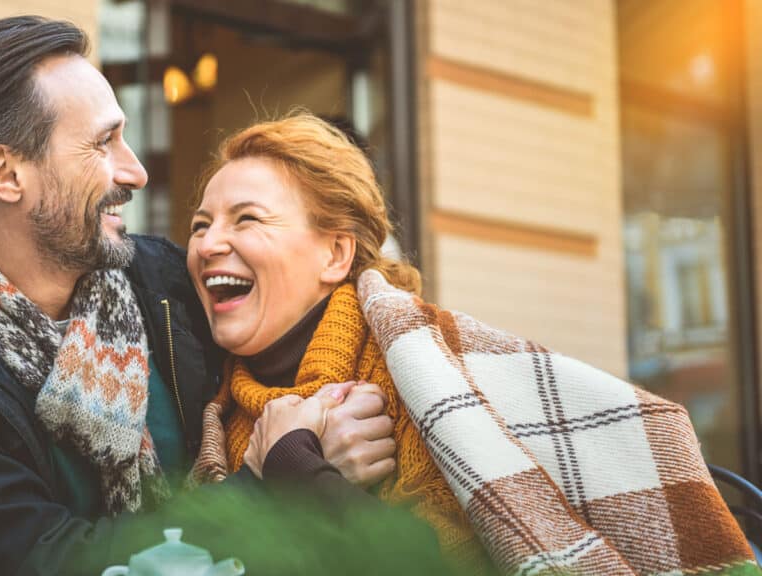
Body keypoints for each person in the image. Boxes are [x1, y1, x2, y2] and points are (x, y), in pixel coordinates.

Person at [0, 16, 402, 576]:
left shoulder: (163, 284)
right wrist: (274, 485)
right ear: (6, 173)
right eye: (103, 143)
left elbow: (301, 317)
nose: (134, 171)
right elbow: (50, 564)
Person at [187, 113, 760, 575]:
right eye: (199, 225)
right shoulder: (212, 405)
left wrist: (291, 464)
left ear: (335, 254)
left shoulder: (430, 375)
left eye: (246, 219)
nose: (210, 243)